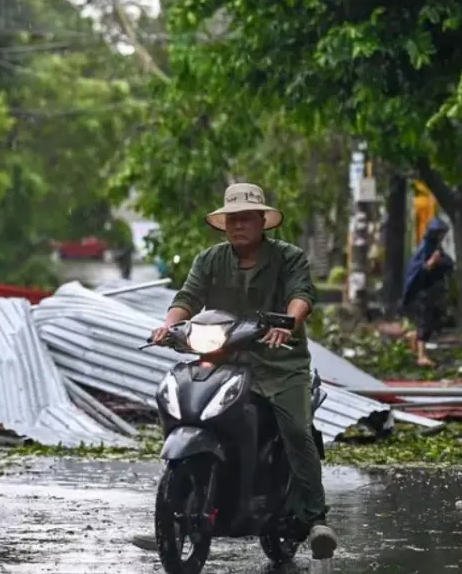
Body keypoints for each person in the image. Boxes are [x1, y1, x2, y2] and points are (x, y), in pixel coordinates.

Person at [132, 182, 337, 560]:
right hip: (225, 359)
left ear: (263, 221)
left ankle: (315, 517)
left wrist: (289, 322)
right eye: (231, 219)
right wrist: (168, 324)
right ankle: (174, 514)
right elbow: (187, 299)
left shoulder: (288, 257)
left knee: (295, 428)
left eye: (246, 218)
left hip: (280, 363)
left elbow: (301, 295)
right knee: (187, 410)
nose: (238, 225)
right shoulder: (210, 259)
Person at [401, 217, 454, 368]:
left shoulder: (436, 248)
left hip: (433, 292)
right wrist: (431, 264)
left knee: (431, 322)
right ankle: (421, 355)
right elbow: (418, 271)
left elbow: (447, 263)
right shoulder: (425, 248)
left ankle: (413, 339)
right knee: (425, 322)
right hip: (423, 292)